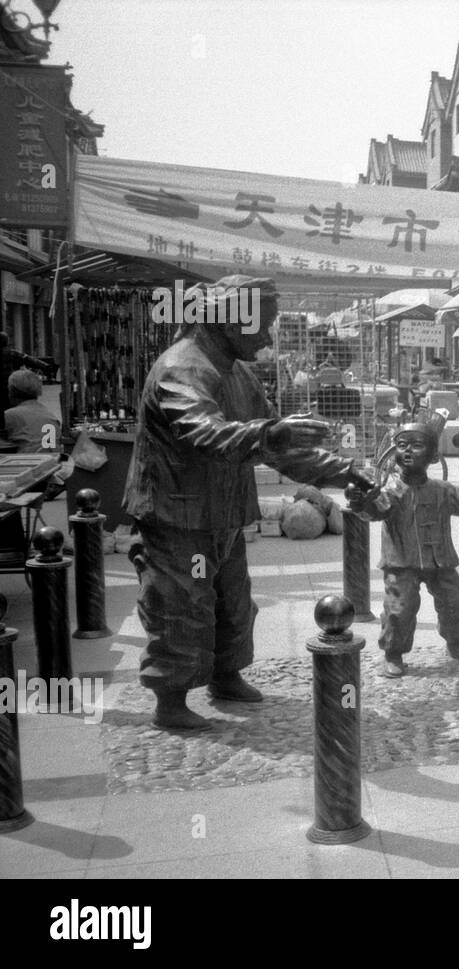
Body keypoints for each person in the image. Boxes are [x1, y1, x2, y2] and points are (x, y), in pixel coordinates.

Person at [126, 275, 376, 732]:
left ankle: (226, 673)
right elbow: (203, 432)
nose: (268, 336)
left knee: (232, 602)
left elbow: (276, 447)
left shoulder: (237, 373)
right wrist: (268, 434)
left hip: (223, 513)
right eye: (262, 324)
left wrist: (341, 470)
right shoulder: (183, 368)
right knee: (180, 604)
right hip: (179, 516)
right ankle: (171, 696)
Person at [347, 417, 459, 677]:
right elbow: (375, 511)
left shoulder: (443, 490)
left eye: (417, 445)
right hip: (402, 563)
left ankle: (456, 641)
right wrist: (360, 503)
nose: (408, 451)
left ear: (434, 455)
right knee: (400, 608)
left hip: (441, 561)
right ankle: (393, 652)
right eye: (402, 445)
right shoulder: (390, 490)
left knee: (454, 600)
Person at [4, 368, 60, 453]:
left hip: (27, 461)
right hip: (52, 460)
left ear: (12, 391)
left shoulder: (10, 415)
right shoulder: (50, 415)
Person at [0, 332, 56, 417]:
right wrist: (45, 367)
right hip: (10, 386)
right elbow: (30, 360)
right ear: (7, 342)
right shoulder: (12, 353)